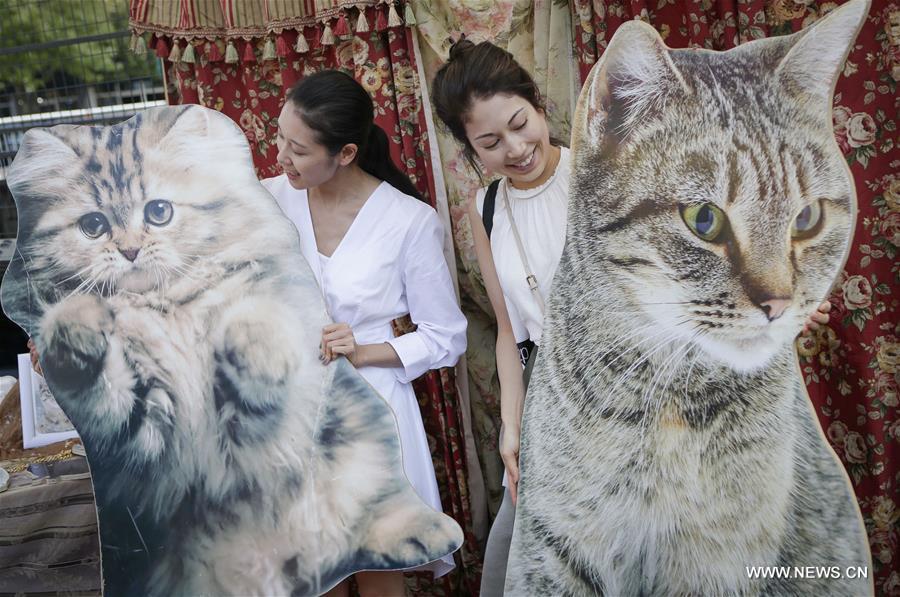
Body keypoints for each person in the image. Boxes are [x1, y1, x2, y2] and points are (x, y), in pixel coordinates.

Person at [431, 39, 831, 596]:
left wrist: (786, 316)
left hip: (650, 386)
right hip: (560, 397)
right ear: (470, 150)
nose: (517, 148)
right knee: (531, 561)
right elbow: (507, 330)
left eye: (521, 123)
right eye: (490, 142)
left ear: (540, 106)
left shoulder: (608, 177)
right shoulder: (486, 209)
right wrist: (512, 427)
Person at [261, 69, 467, 597]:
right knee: (311, 574)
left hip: (373, 413)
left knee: (377, 566)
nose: (280, 155)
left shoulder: (408, 222)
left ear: (346, 153)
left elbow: (445, 336)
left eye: (298, 149)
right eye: (280, 136)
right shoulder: (265, 202)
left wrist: (367, 351)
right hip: (290, 411)